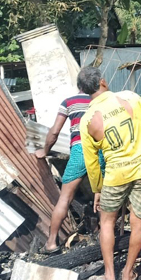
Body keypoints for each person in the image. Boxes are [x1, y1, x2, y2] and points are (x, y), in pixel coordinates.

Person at [78, 67, 141, 280]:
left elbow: (92, 162)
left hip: (116, 174)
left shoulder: (87, 119)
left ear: (83, 90)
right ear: (103, 82)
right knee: (138, 223)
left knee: (106, 222)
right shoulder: (130, 97)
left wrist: (97, 189)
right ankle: (127, 273)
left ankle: (109, 275)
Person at [35, 91, 104, 254]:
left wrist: (45, 150)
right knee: (102, 196)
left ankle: (51, 243)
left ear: (79, 85)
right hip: (99, 150)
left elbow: (54, 132)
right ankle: (105, 238)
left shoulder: (69, 102)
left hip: (80, 150)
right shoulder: (100, 101)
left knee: (65, 199)